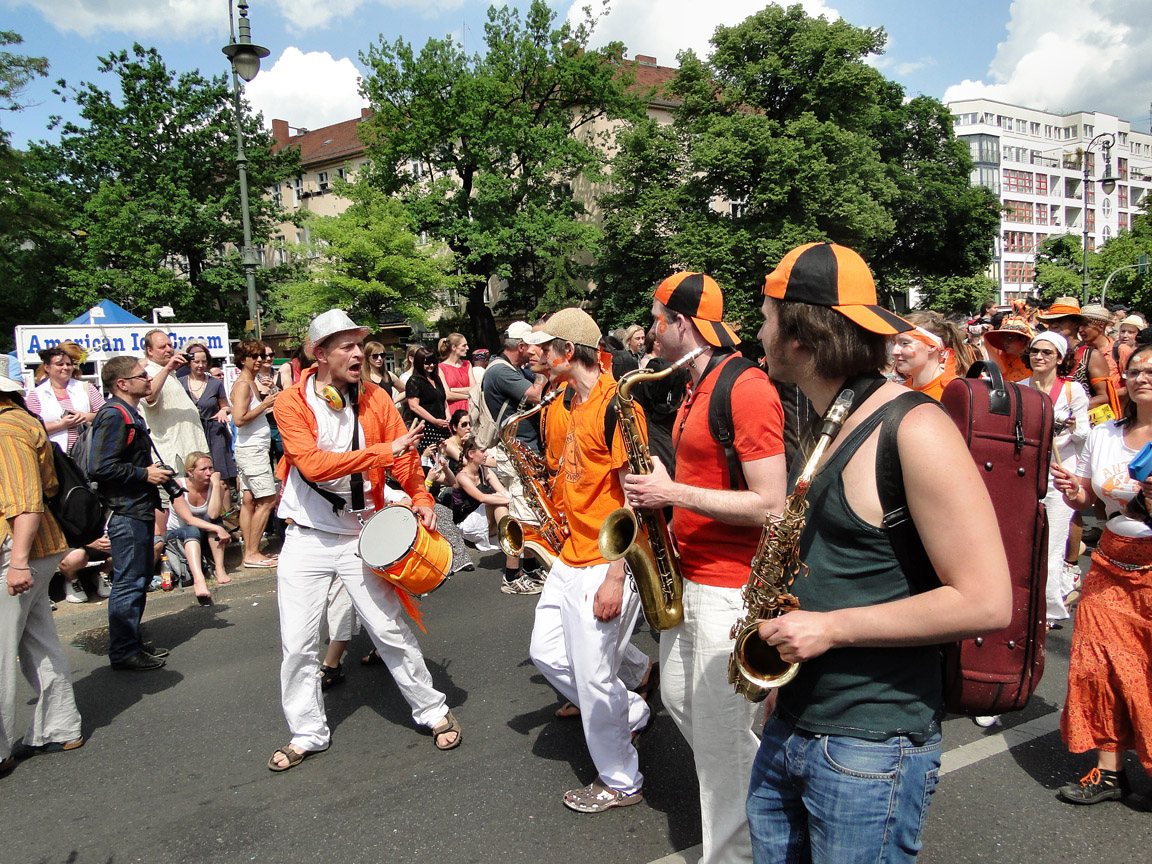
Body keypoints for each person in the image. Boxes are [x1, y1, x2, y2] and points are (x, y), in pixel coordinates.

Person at [745, 242, 1011, 863]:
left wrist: (831, 628)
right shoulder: (827, 418)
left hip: (870, 744)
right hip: (795, 722)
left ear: (803, 342)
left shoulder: (915, 428)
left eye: (766, 318)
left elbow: (987, 600)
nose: (756, 332)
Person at [622, 271, 787, 864]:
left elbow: (772, 503)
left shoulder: (744, 388)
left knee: (721, 747)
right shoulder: (693, 386)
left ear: (682, 325)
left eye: (656, 320)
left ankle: (737, 854)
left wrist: (674, 494)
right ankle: (766, 801)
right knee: (681, 701)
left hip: (729, 590)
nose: (648, 332)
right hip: (689, 580)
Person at [268, 308, 460, 772]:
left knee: (388, 629)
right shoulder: (290, 403)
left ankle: (432, 710)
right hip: (307, 538)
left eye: (360, 344)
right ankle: (307, 733)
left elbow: (406, 462)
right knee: (296, 643)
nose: (358, 353)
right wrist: (382, 451)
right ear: (319, 354)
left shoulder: (376, 400)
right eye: (346, 346)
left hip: (362, 532)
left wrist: (421, 498)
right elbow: (311, 465)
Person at [525, 307, 651, 813]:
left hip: (605, 557)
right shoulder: (557, 406)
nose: (534, 354)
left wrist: (616, 575)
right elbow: (561, 473)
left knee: (596, 678)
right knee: (546, 653)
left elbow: (631, 497)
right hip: (568, 554)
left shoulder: (618, 406)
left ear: (568, 350)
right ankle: (633, 710)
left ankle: (621, 779)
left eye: (543, 346)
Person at [1051, 343, 1152, 805]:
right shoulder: (1105, 433)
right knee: (1099, 665)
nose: (1142, 376)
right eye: (1135, 370)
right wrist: (1074, 493)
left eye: (1151, 370)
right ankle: (1109, 773)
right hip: (1111, 562)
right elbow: (1090, 499)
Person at [0, 370, 84, 776]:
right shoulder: (21, 421)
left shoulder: (5, 429)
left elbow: (26, 502)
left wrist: (16, 561)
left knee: (3, 650)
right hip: (37, 548)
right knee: (37, 643)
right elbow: (46, 487)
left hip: (18, 551)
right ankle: (60, 725)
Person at [89, 356, 177, 671]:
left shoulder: (128, 412)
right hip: (125, 511)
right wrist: (145, 474)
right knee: (129, 581)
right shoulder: (114, 415)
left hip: (136, 508)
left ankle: (130, 643)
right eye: (142, 375)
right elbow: (99, 466)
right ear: (123, 384)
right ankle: (124, 651)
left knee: (138, 579)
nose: (149, 380)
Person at [25, 347, 107, 604]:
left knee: (93, 506)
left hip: (87, 457)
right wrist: (62, 425)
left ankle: (98, 569)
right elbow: (32, 427)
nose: (65, 368)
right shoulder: (36, 395)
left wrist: (86, 416)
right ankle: (70, 574)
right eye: (59, 364)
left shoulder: (85, 389)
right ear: (47, 367)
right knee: (63, 509)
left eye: (69, 364)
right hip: (57, 462)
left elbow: (105, 414)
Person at [1021, 333, 1089, 626]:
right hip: (1028, 472)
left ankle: (1047, 608)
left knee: (1053, 540)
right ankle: (1024, 602)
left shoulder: (1073, 392)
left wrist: (1065, 429)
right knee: (1026, 540)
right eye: (1035, 351)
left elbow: (1085, 434)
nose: (1040, 357)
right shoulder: (1021, 388)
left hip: (1061, 474)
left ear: (1059, 358)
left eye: (1047, 353)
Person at [482, 321, 547, 589]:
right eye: (531, 346)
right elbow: (536, 394)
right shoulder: (501, 372)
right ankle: (513, 575)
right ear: (521, 346)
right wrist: (543, 369)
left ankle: (530, 568)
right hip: (516, 451)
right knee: (522, 514)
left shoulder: (510, 368)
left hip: (522, 449)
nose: (535, 351)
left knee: (530, 510)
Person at [138, 329, 209, 565]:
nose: (169, 349)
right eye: (162, 347)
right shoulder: (147, 372)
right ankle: (154, 566)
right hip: (168, 453)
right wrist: (168, 368)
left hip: (187, 449)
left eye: (170, 345)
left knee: (185, 508)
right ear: (149, 350)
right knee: (163, 510)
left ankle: (181, 560)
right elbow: (149, 397)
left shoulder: (167, 373)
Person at [230, 340, 280, 569]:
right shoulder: (242, 384)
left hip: (253, 449)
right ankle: (252, 552)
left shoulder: (251, 382)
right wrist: (265, 404)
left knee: (249, 500)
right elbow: (239, 419)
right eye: (254, 356)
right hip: (251, 451)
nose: (260, 360)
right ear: (243, 360)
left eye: (261, 355)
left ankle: (250, 551)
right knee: (269, 499)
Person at [165, 452, 233, 603]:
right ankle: (199, 580)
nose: (209, 473)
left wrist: (216, 485)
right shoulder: (178, 486)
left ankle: (220, 569)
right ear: (190, 472)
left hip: (201, 533)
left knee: (214, 522)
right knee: (194, 528)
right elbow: (188, 519)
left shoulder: (216, 486)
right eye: (203, 469)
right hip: (179, 534)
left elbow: (214, 514)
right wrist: (218, 529)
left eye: (211, 468)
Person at [180, 344, 236, 487]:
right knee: (196, 475)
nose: (201, 365)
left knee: (220, 478)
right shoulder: (180, 383)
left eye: (204, 361)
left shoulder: (215, 383)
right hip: (192, 432)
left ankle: (225, 509)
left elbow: (226, 406)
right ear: (189, 362)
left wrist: (224, 411)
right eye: (197, 361)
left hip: (214, 432)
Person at [452, 436, 511, 553]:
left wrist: (509, 498)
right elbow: (481, 497)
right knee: (495, 500)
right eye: (483, 451)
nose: (486, 454)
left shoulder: (484, 470)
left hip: (485, 521)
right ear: (471, 454)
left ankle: (508, 538)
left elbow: (502, 491)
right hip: (467, 524)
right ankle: (509, 539)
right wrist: (511, 500)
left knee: (500, 501)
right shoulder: (462, 476)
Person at [892, 311, 965, 401]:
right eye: (894, 343)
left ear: (932, 347)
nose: (894, 351)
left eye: (905, 343)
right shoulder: (901, 391)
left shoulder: (954, 392)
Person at [405, 346, 451, 457]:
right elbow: (414, 406)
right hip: (426, 428)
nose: (431, 365)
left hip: (442, 426)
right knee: (431, 458)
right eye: (427, 363)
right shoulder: (414, 381)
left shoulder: (436, 378)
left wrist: (447, 414)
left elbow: (442, 399)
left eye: (433, 362)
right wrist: (434, 420)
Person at [983, 315, 1034, 382]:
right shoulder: (1002, 359)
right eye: (1003, 338)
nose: (1005, 342)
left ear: (1024, 340)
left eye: (1010, 338)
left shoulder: (1034, 361)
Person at [438, 333, 475, 416]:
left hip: (470, 409)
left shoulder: (467, 364)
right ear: (454, 347)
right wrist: (468, 396)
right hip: (453, 411)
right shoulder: (440, 368)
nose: (467, 348)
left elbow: (474, 389)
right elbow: (447, 395)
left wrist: (453, 390)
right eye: (464, 345)